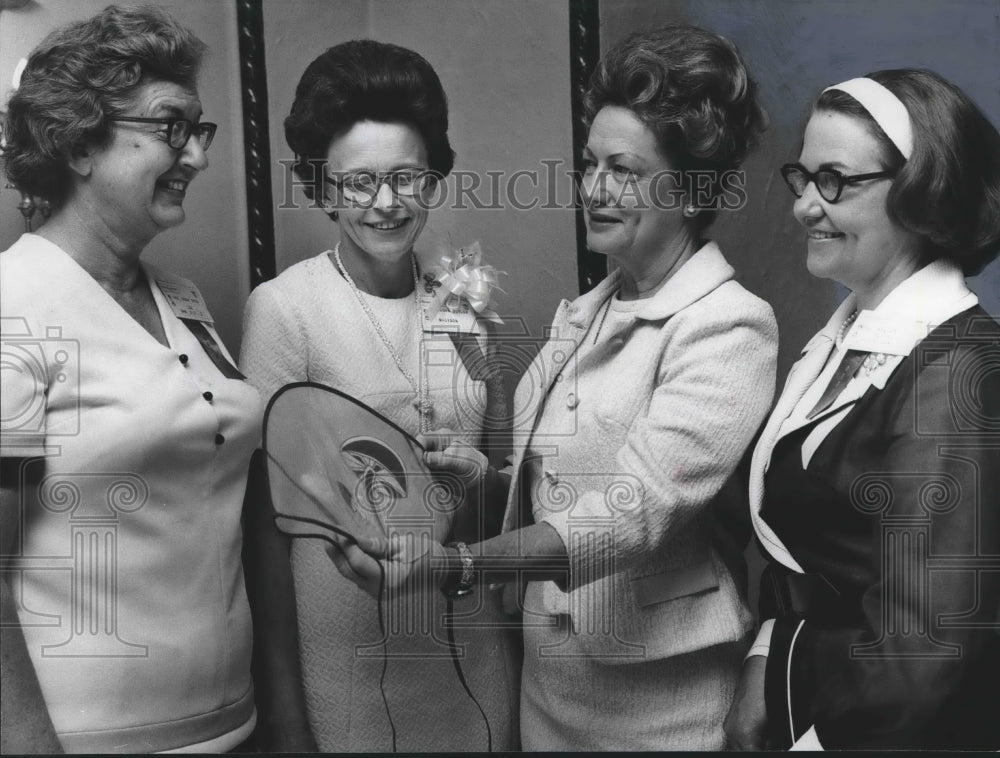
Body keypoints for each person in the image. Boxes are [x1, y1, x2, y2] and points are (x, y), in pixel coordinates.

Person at [331, 24, 778, 750]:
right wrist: (480, 474)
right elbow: (547, 477)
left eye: (624, 170)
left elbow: (632, 515)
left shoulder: (729, 327)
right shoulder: (592, 306)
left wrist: (458, 564)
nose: (594, 189)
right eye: (590, 163)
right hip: (549, 697)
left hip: (662, 708)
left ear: (692, 191)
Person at [238, 40, 516, 752]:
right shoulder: (285, 309)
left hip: (471, 636)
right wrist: (286, 717)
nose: (387, 204)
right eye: (359, 182)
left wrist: (482, 484)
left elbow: (500, 506)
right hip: (343, 649)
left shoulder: (468, 309)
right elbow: (266, 528)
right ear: (324, 188)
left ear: (434, 179)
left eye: (406, 177)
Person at [0, 5, 262, 753]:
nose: (197, 157)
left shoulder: (181, 299)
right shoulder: (12, 307)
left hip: (233, 724)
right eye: (170, 127)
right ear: (80, 145)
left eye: (197, 129)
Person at [724, 70, 1000, 750]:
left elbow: (925, 649)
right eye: (804, 176)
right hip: (816, 689)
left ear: (920, 191)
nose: (804, 207)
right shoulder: (846, 339)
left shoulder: (957, 373)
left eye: (836, 181)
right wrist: (769, 649)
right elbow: (820, 550)